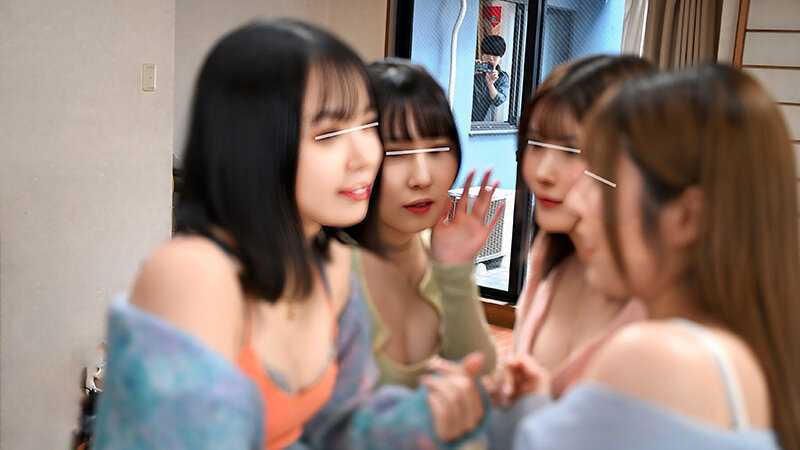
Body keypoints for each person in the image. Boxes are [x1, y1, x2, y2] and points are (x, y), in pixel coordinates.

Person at [94, 20, 486, 449]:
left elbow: (338, 428)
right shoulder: (195, 274)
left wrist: (426, 417)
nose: (364, 156)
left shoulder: (334, 273)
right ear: (253, 144)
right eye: (329, 134)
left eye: (367, 125)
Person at [513, 64, 798, 449]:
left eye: (603, 181)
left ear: (687, 217)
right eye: (535, 143)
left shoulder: (658, 355)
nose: (577, 201)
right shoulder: (733, 359)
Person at [343, 58, 499, 389]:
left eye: (437, 150)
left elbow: (481, 375)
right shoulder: (328, 273)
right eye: (396, 154)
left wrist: (455, 272)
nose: (422, 178)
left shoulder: (437, 252)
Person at [472, 35, 510, 122]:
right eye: (488, 54)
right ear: (483, 54)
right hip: (464, 120)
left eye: (495, 55)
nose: (491, 58)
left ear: (501, 56)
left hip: (486, 123)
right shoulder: (473, 71)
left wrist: (490, 84)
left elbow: (498, 101)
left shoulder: (502, 77)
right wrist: (470, 73)